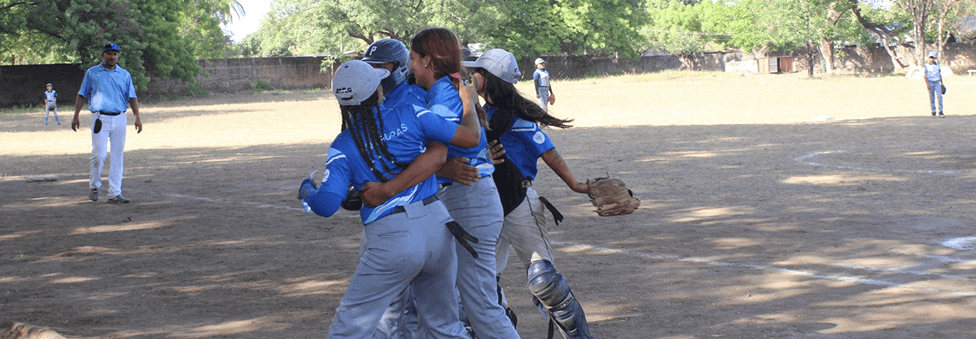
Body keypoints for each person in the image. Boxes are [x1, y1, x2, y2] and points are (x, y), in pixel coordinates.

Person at [299, 59, 484, 338]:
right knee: (444, 327)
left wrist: (307, 191)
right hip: (438, 227)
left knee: (349, 329)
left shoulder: (344, 145)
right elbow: (472, 140)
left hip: (392, 239)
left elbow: (326, 205)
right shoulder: (412, 113)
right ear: (378, 90)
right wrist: (468, 103)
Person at [464, 48, 597, 339]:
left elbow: (547, 151)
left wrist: (575, 185)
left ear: (489, 78)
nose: (470, 77)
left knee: (544, 281)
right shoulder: (485, 112)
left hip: (518, 206)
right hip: (487, 207)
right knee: (480, 285)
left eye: (476, 72)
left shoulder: (509, 115)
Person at [409, 28, 521, 339]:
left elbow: (437, 146)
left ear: (429, 60)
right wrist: (441, 170)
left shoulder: (446, 93)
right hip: (459, 200)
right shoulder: (438, 90)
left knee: (481, 308)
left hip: (468, 199)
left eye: (415, 59)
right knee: (449, 302)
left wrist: (440, 168)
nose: (411, 66)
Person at [71, 43, 143, 203]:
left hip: (119, 118)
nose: (112, 57)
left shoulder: (124, 74)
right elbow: (81, 95)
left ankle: (115, 193)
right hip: (99, 118)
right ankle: (94, 185)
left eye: (115, 54)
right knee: (99, 154)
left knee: (118, 156)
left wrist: (137, 116)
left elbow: (132, 97)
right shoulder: (92, 73)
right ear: (103, 55)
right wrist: (76, 115)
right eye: (109, 54)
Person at [923, 51, 945, 118]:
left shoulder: (938, 65)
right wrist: (927, 84)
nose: (931, 59)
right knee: (932, 97)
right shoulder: (926, 66)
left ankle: (941, 111)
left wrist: (942, 83)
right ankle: (933, 111)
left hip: (937, 82)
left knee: (940, 97)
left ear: (935, 58)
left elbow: (939, 74)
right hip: (930, 82)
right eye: (930, 57)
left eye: (932, 57)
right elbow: (925, 75)